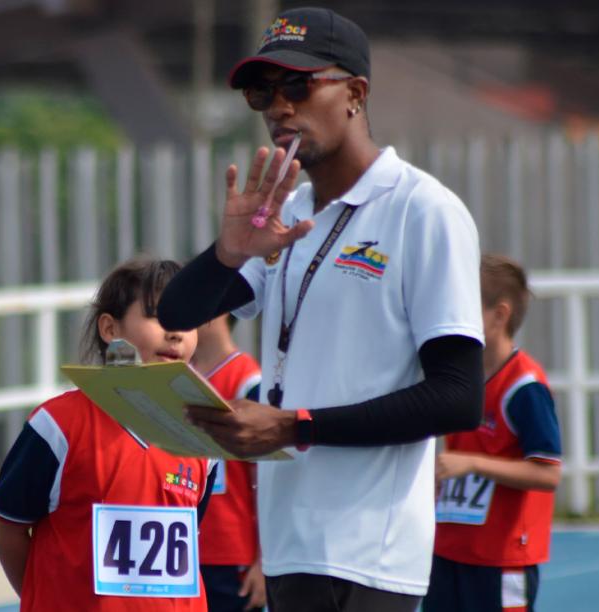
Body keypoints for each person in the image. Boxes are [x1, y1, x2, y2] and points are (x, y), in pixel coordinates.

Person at [156, 7, 485, 612]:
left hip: (369, 554)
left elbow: (459, 396)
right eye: (263, 92)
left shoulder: (423, 210)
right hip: (288, 542)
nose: (279, 108)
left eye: (299, 86)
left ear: (356, 93)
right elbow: (175, 313)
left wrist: (295, 426)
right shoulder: (289, 211)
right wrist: (228, 254)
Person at [0, 258, 219, 611]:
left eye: (188, 321)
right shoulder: (57, 426)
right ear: (110, 329)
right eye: (160, 316)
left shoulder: (207, 438)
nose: (176, 332)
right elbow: (9, 530)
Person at [422, 254, 562, 612]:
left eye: (462, 306)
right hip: (447, 550)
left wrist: (472, 464)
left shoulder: (524, 387)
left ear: (499, 315)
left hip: (502, 558)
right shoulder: (459, 376)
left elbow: (547, 473)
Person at [191, 315, 265, 612]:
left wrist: (264, 561)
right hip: (183, 551)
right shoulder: (179, 377)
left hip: (232, 557)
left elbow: (268, 477)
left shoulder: (247, 380)